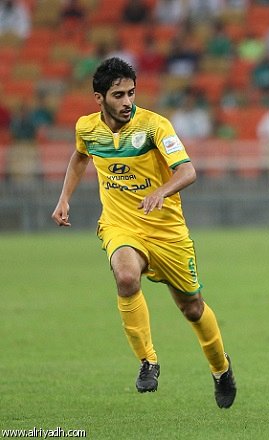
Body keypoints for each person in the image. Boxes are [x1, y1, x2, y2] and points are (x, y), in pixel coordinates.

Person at [50, 57, 236, 409]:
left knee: (192, 308)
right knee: (125, 277)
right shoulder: (87, 128)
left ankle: (221, 369)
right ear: (99, 98)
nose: (127, 102)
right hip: (121, 224)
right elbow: (79, 157)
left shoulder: (154, 126)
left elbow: (188, 171)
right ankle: (148, 361)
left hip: (166, 231)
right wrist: (64, 199)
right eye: (118, 95)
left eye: (131, 93)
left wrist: (160, 192)